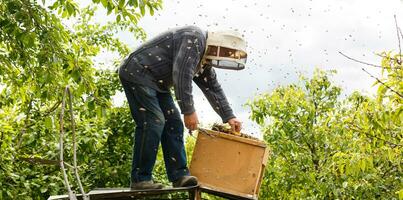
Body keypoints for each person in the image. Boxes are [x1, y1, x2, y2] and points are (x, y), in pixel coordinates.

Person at [118, 25, 247, 189]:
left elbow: (212, 87)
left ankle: (180, 176)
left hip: (158, 83)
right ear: (219, 45)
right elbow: (181, 75)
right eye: (226, 53)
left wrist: (229, 116)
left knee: (174, 123)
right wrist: (189, 111)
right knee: (153, 121)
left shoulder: (203, 58)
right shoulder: (194, 39)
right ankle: (140, 179)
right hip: (137, 72)